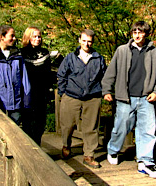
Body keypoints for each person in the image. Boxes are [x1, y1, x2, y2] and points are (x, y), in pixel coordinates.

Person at [102, 21, 156, 178]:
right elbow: (111, 72)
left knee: (148, 131)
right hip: (125, 97)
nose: (137, 35)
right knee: (121, 128)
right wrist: (106, 90)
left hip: (146, 98)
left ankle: (146, 162)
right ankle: (113, 150)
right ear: (132, 34)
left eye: (140, 32)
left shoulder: (154, 52)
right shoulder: (122, 50)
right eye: (134, 32)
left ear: (145, 34)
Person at [57, 29, 106, 168]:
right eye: (84, 40)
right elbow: (61, 75)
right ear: (79, 40)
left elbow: (105, 76)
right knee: (67, 125)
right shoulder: (70, 58)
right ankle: (66, 146)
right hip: (71, 96)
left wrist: (102, 91)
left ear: (93, 42)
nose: (87, 44)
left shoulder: (98, 58)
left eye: (89, 41)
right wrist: (62, 93)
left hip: (92, 97)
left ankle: (89, 155)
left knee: (91, 127)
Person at [21, 27, 60, 145]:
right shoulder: (20, 53)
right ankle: (28, 149)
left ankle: (37, 147)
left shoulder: (44, 53)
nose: (37, 39)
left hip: (42, 93)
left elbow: (49, 72)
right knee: (27, 123)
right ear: (28, 37)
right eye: (34, 36)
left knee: (40, 123)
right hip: (26, 93)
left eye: (39, 36)